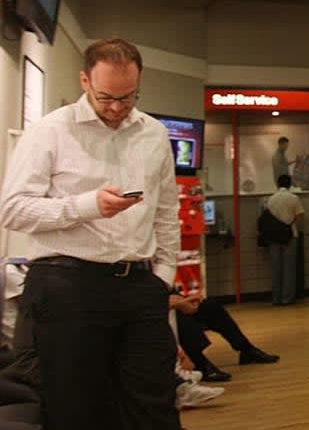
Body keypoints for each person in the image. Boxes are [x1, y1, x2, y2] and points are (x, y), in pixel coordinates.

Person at [0, 38, 182, 429]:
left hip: (140, 284)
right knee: (77, 410)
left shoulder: (153, 133)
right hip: (68, 285)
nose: (116, 108)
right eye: (106, 98)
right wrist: (88, 206)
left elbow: (167, 209)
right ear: (85, 81)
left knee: (156, 405)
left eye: (127, 97)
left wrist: (164, 275)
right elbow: (12, 209)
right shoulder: (50, 131)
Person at [170, 293, 279, 382]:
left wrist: (186, 300)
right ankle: (200, 364)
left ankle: (246, 349)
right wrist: (181, 303)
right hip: (165, 314)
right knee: (181, 320)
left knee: (210, 306)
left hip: (172, 304)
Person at [266, 174, 304, 305]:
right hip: (290, 235)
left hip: (274, 236)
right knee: (289, 268)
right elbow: (300, 216)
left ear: (277, 184)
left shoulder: (271, 199)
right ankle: (287, 298)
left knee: (275, 267)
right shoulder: (294, 198)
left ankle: (276, 298)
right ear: (290, 184)